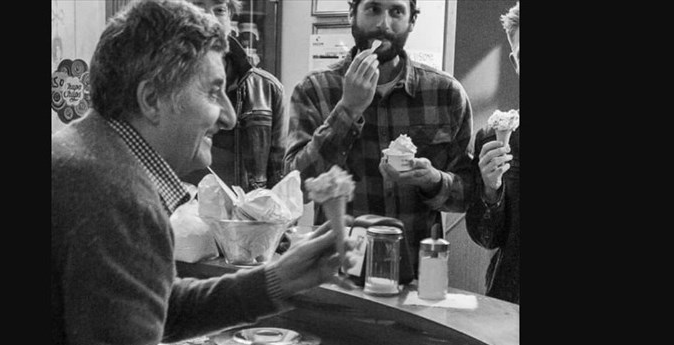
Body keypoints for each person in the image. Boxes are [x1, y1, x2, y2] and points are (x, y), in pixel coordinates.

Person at [51, 1, 348, 345]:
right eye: (214, 91)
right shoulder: (114, 191)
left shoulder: (88, 153)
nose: (230, 116)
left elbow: (142, 309)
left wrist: (275, 281)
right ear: (152, 99)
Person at [285, 0, 475, 271]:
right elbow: (295, 187)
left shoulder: (445, 93)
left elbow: (468, 194)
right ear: (352, 13)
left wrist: (434, 181)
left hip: (417, 275)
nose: (384, 24)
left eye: (396, 12)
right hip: (339, 273)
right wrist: (347, 109)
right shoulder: (315, 89)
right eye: (373, 9)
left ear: (412, 21)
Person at [182, 0, 286, 191]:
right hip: (180, 214)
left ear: (230, 16)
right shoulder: (163, 85)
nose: (209, 19)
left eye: (219, 10)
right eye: (196, 8)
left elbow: (277, 182)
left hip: (244, 218)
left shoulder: (268, 89)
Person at [465, 2, 520, 304]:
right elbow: (486, 238)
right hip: (511, 302)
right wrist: (489, 189)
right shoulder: (493, 138)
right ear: (515, 63)